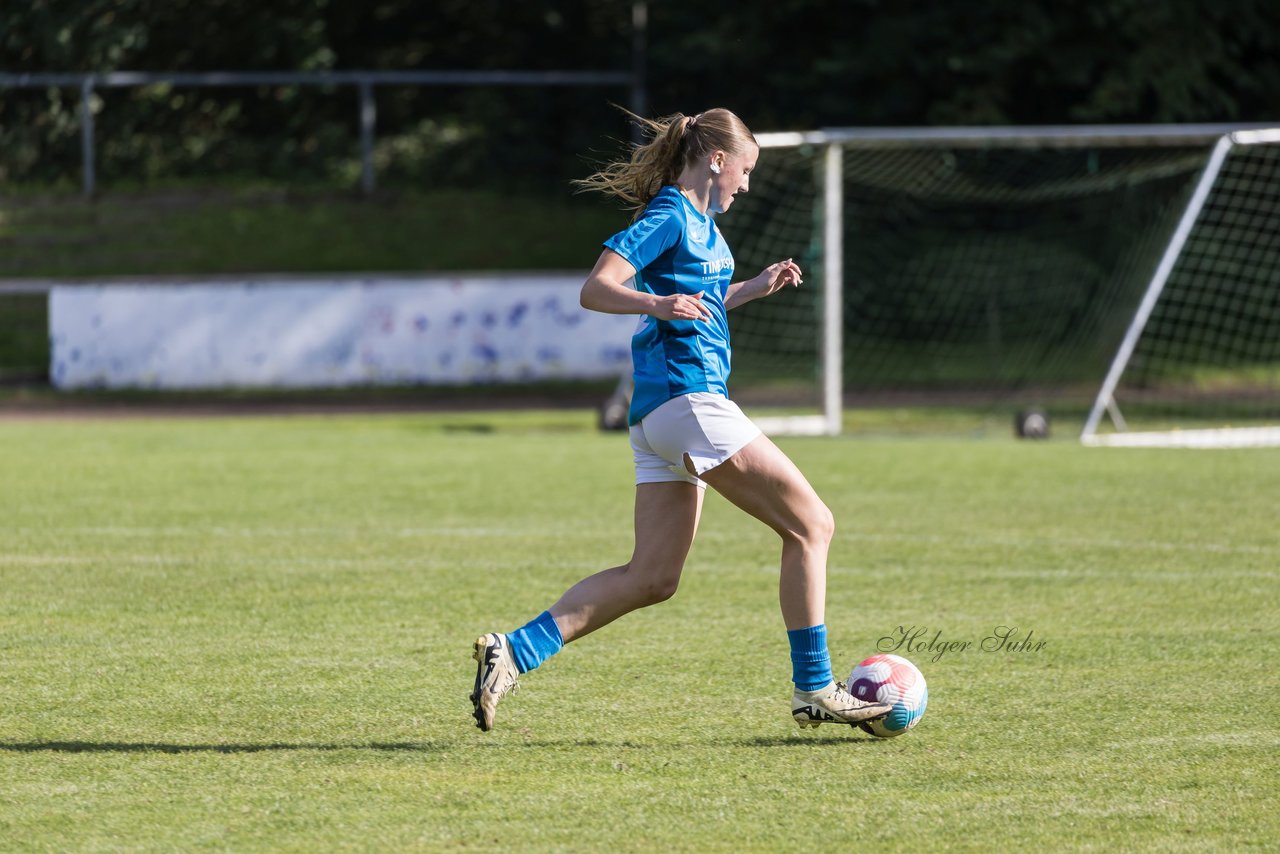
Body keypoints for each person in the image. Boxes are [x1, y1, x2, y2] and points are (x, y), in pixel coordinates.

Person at [469, 108, 890, 732]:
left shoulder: (703, 228)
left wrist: (751, 288)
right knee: (811, 525)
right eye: (744, 171)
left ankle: (513, 650)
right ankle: (814, 687)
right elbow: (596, 287)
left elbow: (701, 298)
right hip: (688, 401)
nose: (746, 185)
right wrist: (655, 302)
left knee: (653, 577)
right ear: (716, 160)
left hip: (662, 418)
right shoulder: (669, 214)